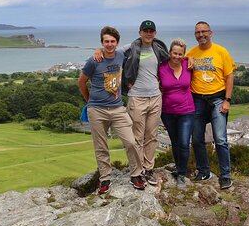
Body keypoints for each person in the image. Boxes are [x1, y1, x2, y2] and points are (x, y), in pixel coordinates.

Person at [93, 20, 169, 186]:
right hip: (137, 97)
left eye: (151, 31)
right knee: (136, 138)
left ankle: (149, 169)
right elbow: (110, 50)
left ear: (155, 33)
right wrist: (98, 50)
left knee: (152, 136)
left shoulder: (158, 48)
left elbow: (171, 62)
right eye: (145, 31)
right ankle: (138, 170)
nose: (148, 34)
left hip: (156, 97)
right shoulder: (130, 47)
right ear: (140, 32)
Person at [79, 26, 146, 195]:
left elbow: (141, 43)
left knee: (131, 142)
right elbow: (81, 82)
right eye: (106, 42)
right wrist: (89, 102)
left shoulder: (121, 55)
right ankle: (105, 178)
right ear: (102, 43)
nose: (109, 44)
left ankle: (136, 174)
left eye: (112, 41)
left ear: (117, 42)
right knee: (101, 146)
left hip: (117, 108)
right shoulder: (94, 60)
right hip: (97, 109)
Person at [186, 21, 236, 189]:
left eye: (204, 32)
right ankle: (203, 171)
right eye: (198, 32)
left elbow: (230, 76)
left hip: (218, 99)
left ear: (211, 33)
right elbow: (176, 62)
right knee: (197, 139)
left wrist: (227, 100)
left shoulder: (221, 52)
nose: (201, 35)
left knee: (220, 139)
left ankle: (226, 175)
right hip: (197, 100)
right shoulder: (191, 53)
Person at [158, 38, 194, 190]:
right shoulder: (161, 67)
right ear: (169, 52)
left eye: (180, 54)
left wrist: (189, 58)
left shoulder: (189, 65)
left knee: (184, 143)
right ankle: (179, 168)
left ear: (184, 55)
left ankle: (181, 174)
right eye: (175, 53)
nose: (177, 56)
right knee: (175, 142)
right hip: (167, 112)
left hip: (186, 110)